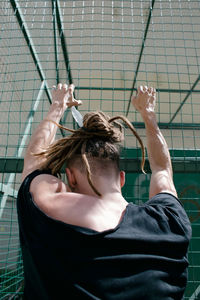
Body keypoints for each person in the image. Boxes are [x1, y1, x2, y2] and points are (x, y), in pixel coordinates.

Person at [17, 84, 191, 300]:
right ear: (122, 179)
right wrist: (149, 114)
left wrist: (58, 105)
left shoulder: (50, 208)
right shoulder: (170, 220)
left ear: (70, 177)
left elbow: (34, 162)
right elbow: (162, 169)